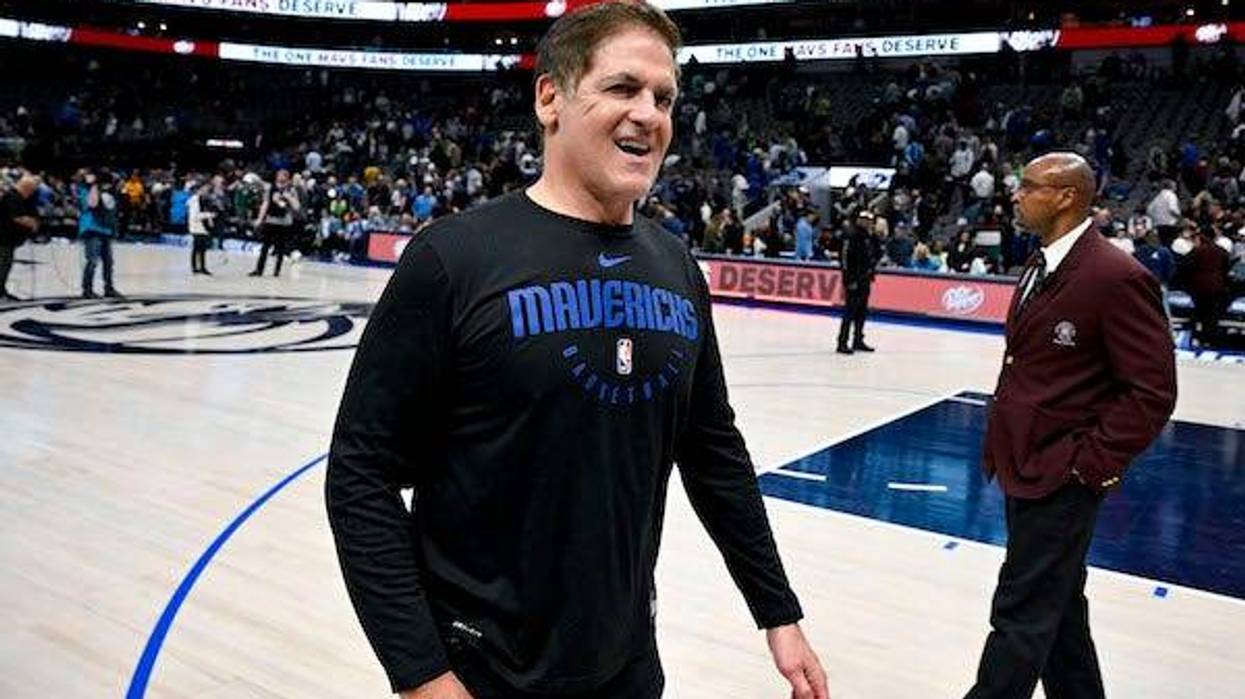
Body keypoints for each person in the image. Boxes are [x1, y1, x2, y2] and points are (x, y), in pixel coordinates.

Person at [325, 4, 829, 699]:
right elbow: (360, 475)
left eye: (663, 97)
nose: (648, 114)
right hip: (479, 671)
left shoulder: (675, 265)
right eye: (622, 88)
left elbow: (712, 448)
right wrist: (421, 675)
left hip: (626, 664)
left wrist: (777, 609)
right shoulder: (453, 258)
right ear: (549, 97)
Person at [967, 153, 1177, 699]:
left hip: (1062, 472)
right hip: (1023, 464)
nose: (1017, 195)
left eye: (1030, 186)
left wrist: (1089, 464)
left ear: (1065, 196)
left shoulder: (1117, 277)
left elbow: (1152, 391)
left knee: (1020, 611)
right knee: (1058, 608)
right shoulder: (1040, 262)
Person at [836, 210, 879, 354]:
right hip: (854, 279)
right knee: (850, 311)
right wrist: (848, 279)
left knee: (861, 312)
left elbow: (876, 254)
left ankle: (858, 340)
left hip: (865, 278)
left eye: (870, 220)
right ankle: (842, 342)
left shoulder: (869, 236)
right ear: (859, 220)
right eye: (865, 219)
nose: (868, 222)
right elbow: (844, 259)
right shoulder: (850, 235)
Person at [1184, 226, 1232, 348]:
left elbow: (1187, 267)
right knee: (1212, 315)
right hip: (1217, 287)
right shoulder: (1221, 251)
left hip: (1199, 287)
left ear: (1202, 237)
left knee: (1199, 313)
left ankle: (1198, 338)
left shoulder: (1197, 251)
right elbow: (1227, 268)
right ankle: (1211, 340)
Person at [77, 171, 123, 298]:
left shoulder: (108, 194)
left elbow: (111, 212)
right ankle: (87, 289)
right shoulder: (86, 190)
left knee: (108, 261)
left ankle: (109, 288)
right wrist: (95, 185)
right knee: (92, 260)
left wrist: (114, 230)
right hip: (92, 229)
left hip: (105, 230)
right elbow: (92, 204)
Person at [250, 169, 300, 277]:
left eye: (283, 176)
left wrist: (289, 197)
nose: (281, 178)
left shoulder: (291, 190)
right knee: (265, 247)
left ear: (287, 178)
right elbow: (265, 203)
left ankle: (277, 271)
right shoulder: (270, 188)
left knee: (281, 248)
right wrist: (260, 218)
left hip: (284, 222)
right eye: (279, 175)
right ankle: (259, 270)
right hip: (271, 220)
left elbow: (297, 207)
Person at [1, 173, 40, 301]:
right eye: (32, 190)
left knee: (5, 266)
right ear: (26, 188)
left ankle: (2, 292)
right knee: (2, 266)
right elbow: (17, 217)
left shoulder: (19, 197)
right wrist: (32, 223)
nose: (32, 193)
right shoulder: (13, 197)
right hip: (3, 239)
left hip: (8, 239)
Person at [187, 182, 216, 275]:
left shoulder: (202, 200)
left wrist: (210, 219)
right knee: (197, 247)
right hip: (196, 227)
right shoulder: (195, 201)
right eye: (204, 190)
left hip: (202, 227)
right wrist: (209, 215)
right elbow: (195, 216)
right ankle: (195, 268)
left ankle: (202, 267)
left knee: (202, 248)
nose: (206, 191)